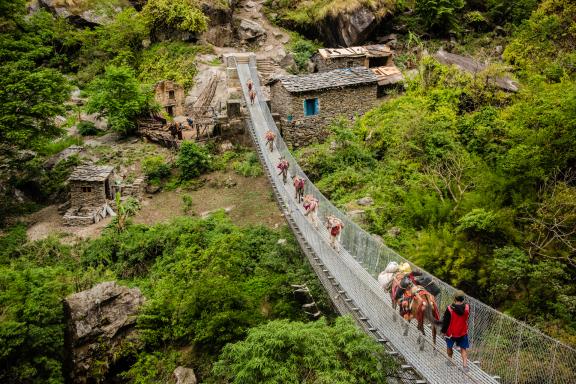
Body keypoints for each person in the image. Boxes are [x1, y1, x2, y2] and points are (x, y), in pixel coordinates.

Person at [441, 290, 470, 371]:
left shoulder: (449, 308)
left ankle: (450, 361)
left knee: (449, 346)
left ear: (454, 298)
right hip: (462, 332)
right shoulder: (467, 307)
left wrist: (443, 331)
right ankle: (465, 366)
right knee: (463, 349)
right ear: (463, 299)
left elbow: (446, 322)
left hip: (451, 333)